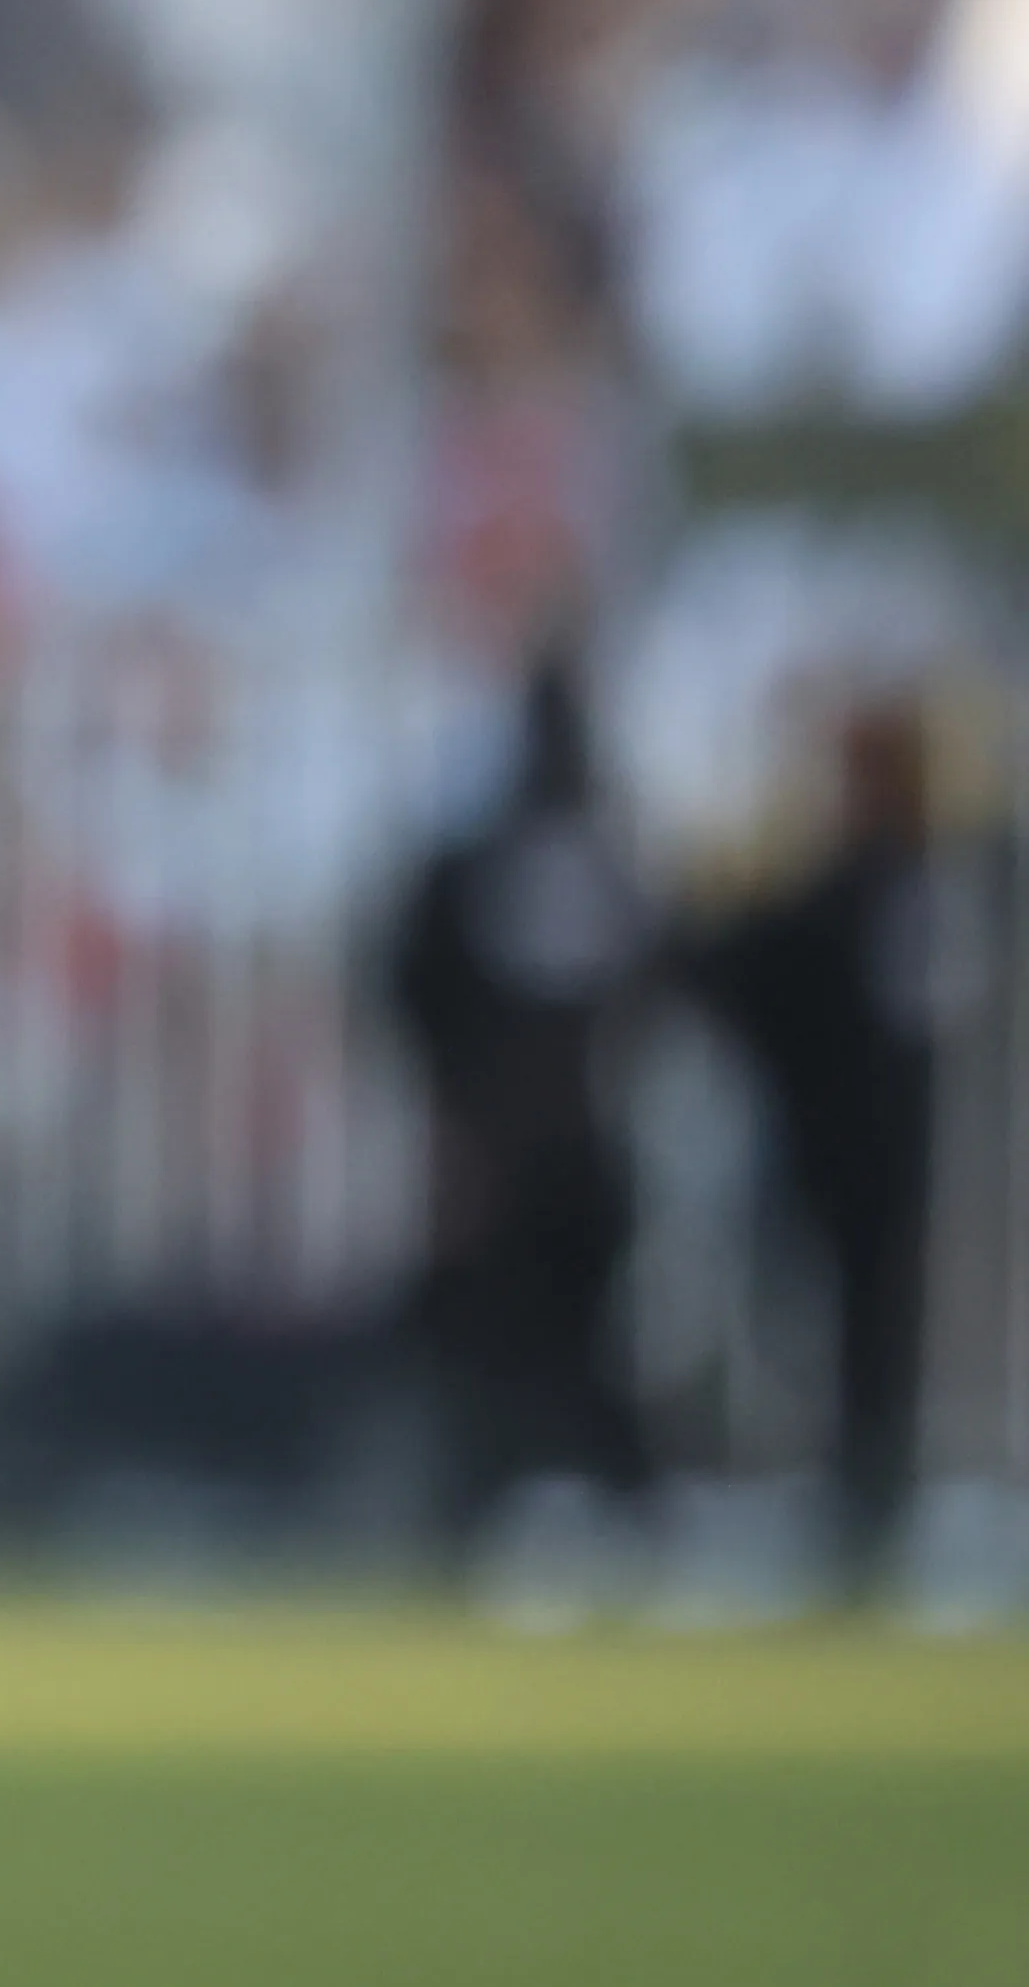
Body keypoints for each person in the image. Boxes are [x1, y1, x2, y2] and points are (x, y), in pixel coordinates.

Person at [382, 656, 661, 1582]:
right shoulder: (575, 854)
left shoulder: (548, 852)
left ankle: (571, 1492)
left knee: (569, 1326)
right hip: (536, 1131)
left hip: (550, 1131)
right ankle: (515, 1494)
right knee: (518, 1329)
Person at [692, 699, 967, 1607]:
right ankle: (856, 1490)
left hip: (851, 1146)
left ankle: (855, 1495)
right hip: (879, 1142)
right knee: (859, 1329)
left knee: (849, 1330)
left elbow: (747, 973)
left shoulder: (873, 884)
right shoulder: (913, 883)